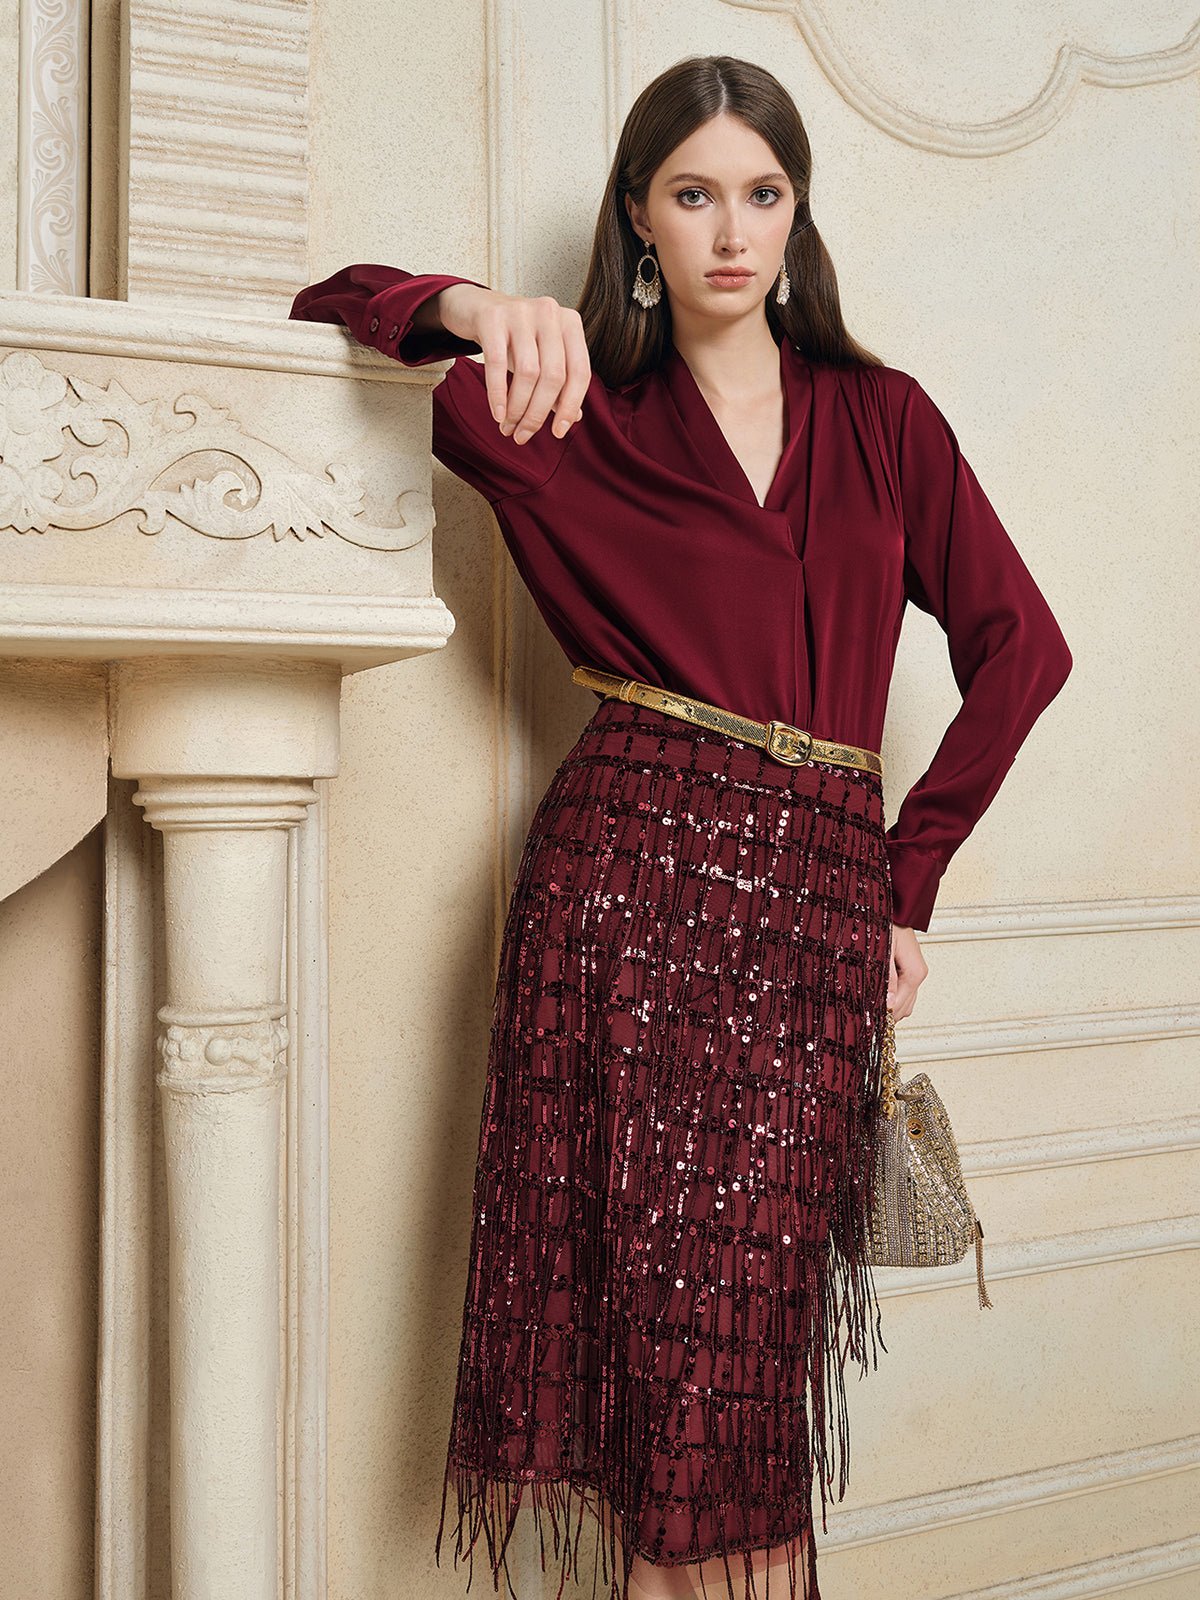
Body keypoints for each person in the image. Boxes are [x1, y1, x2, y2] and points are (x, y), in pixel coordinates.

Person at [290, 53, 1072, 1600]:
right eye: (695, 194)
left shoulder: (883, 419)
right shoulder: (564, 406)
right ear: (639, 222)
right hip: (627, 906)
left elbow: (1022, 651)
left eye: (763, 194)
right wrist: (465, 308)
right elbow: (313, 310)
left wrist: (905, 888)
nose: (734, 230)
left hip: (814, 919)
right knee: (665, 1396)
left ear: (798, 216)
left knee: (743, 1382)